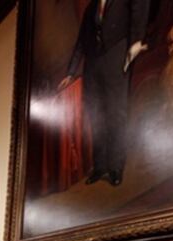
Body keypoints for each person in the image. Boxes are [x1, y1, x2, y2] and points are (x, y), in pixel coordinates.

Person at [58, 0, 151, 186]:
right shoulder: (91, 9)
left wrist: (136, 41)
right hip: (92, 67)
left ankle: (116, 167)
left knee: (116, 115)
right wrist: (70, 73)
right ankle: (99, 167)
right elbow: (81, 43)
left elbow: (140, 11)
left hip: (116, 60)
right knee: (96, 117)